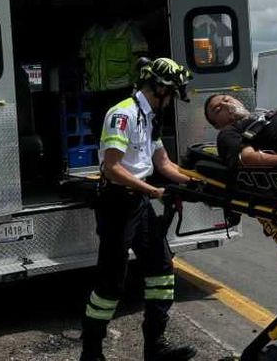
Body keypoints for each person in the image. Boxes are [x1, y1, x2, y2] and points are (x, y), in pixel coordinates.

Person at [80, 58, 197, 361]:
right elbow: (113, 167)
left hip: (139, 201)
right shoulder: (123, 115)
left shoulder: (150, 117)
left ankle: (155, 347)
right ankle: (91, 352)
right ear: (158, 87)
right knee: (110, 283)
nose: (170, 100)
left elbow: (163, 164)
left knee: (161, 269)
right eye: (171, 93)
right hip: (117, 202)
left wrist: (197, 185)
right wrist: (153, 191)